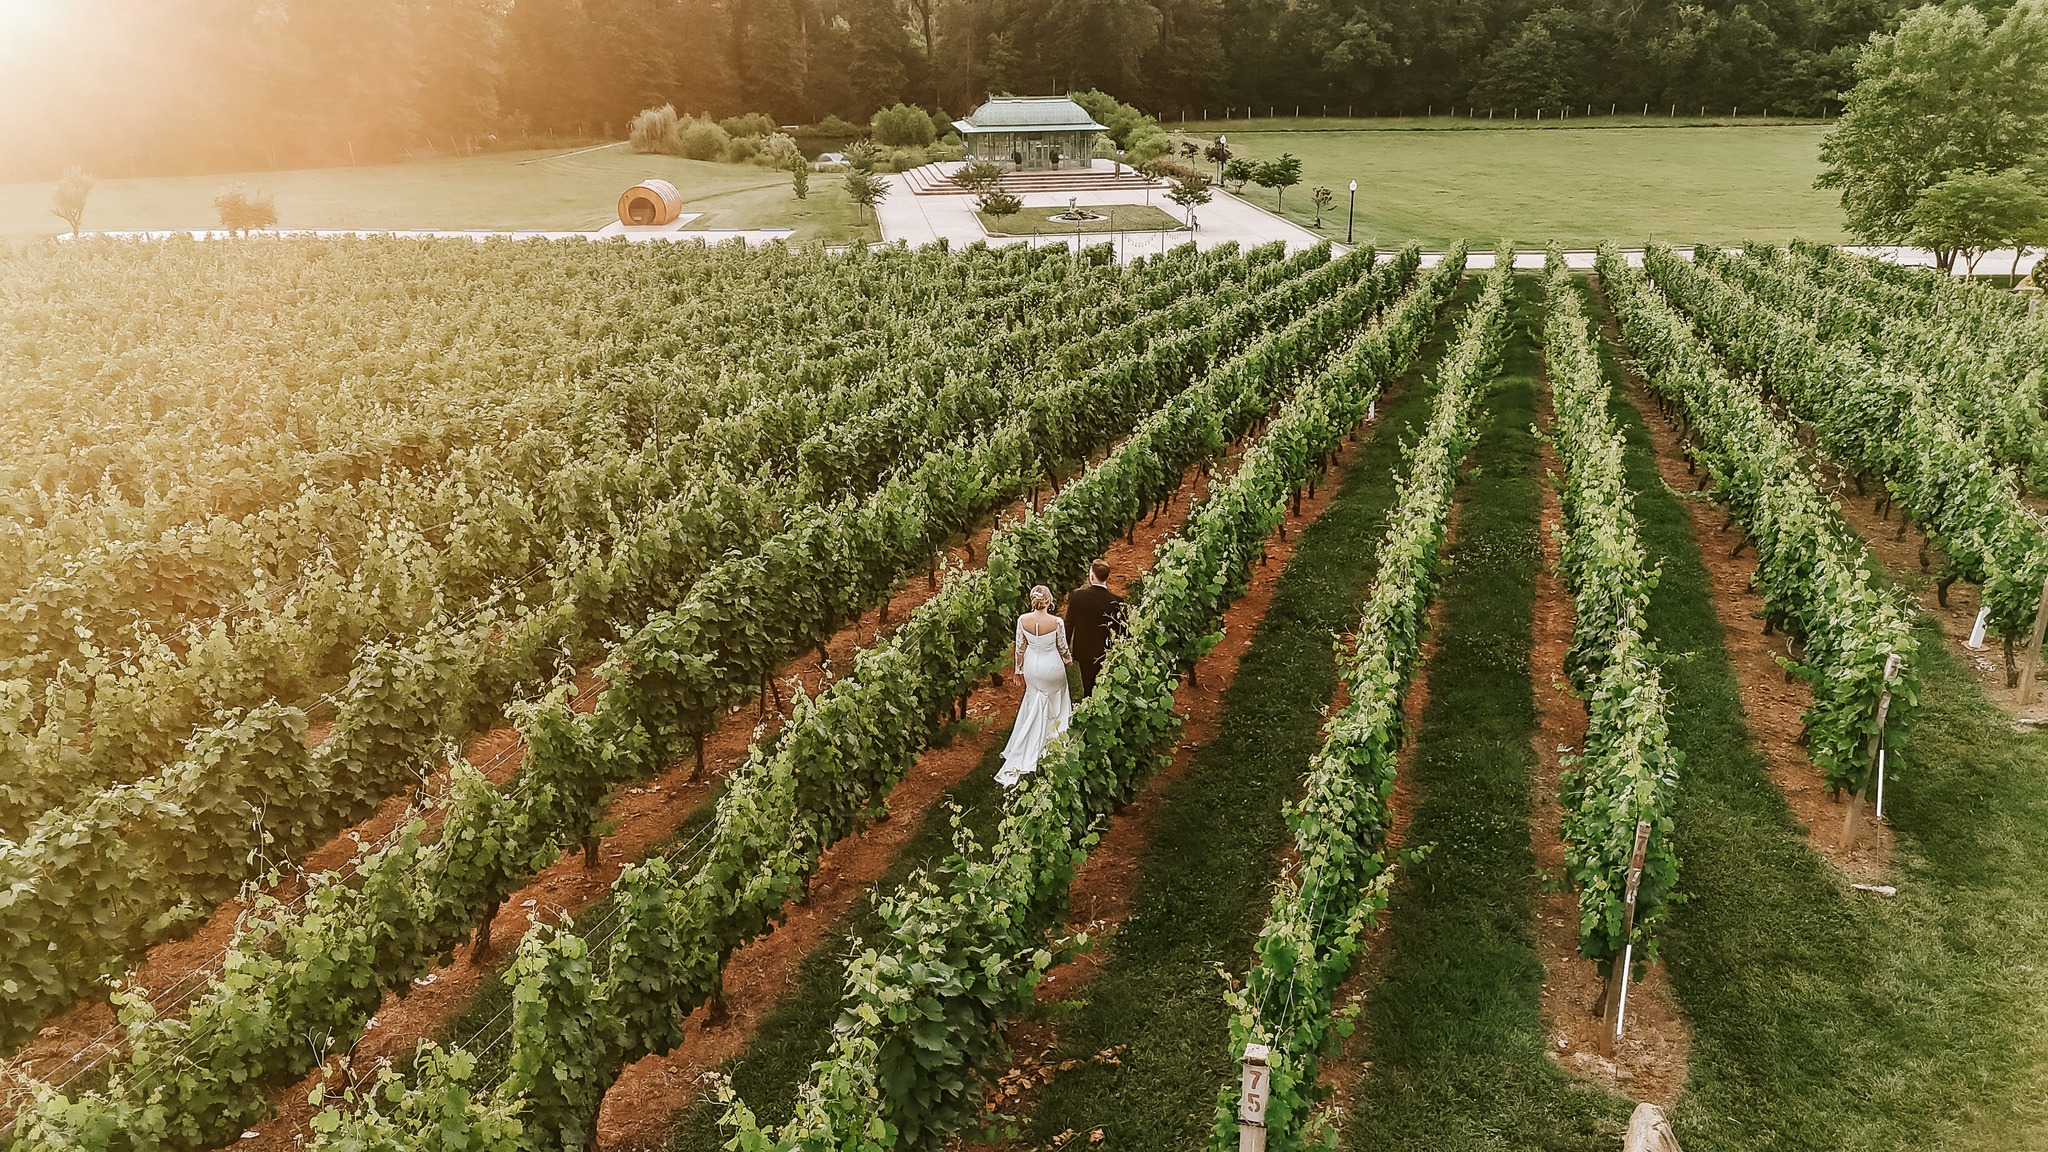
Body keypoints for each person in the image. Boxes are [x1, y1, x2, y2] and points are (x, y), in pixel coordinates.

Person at [996, 586, 1073, 788]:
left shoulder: (1023, 620)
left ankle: (1030, 734)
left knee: (1034, 696)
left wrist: (1018, 670)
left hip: (1032, 666)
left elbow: (1020, 648)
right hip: (1051, 665)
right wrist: (1068, 660)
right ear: (1049, 601)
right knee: (1056, 696)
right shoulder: (1056, 622)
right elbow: (1062, 646)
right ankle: (1054, 735)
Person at [1065, 559, 1125, 698]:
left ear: (1091, 576)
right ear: (1107, 577)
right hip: (1106, 652)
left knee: (1088, 686)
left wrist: (1065, 650)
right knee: (1104, 686)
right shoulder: (1116, 601)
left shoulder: (1077, 596)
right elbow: (1121, 631)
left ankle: (1088, 706)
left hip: (1083, 651)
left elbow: (1069, 624)